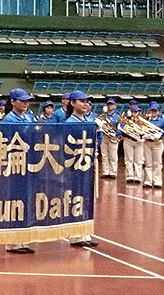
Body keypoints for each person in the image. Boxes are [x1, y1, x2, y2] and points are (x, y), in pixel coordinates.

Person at [2, 88, 35, 253]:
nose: (25, 103)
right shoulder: (9, 119)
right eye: (22, 100)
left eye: (27, 100)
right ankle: (12, 242)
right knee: (14, 201)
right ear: (13, 102)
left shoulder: (29, 117)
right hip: (15, 163)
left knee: (25, 201)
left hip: (28, 163)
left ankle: (23, 239)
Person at [64, 90, 99, 247]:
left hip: (88, 164)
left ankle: (85, 232)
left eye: (86, 101)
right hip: (75, 166)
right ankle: (75, 235)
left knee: (87, 199)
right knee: (76, 199)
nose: (85, 104)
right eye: (81, 101)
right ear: (72, 103)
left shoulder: (88, 121)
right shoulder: (69, 123)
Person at [142, 102, 164, 188]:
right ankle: (148, 181)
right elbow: (141, 129)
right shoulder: (146, 120)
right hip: (147, 142)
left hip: (157, 143)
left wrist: (161, 133)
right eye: (152, 110)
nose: (154, 112)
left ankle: (157, 181)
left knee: (157, 163)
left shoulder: (162, 121)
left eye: (155, 111)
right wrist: (144, 134)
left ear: (158, 112)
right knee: (148, 163)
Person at [119, 106, 143, 183]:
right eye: (134, 112)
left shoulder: (143, 121)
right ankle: (129, 176)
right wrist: (123, 124)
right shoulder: (126, 121)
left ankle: (138, 177)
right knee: (128, 159)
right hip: (128, 140)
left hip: (139, 141)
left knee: (138, 160)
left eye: (137, 112)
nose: (136, 113)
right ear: (131, 113)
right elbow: (121, 129)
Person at [98, 98, 122, 178]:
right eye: (108, 104)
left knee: (113, 156)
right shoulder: (102, 116)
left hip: (113, 137)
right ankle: (105, 172)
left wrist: (115, 134)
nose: (110, 106)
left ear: (115, 106)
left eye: (111, 104)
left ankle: (113, 172)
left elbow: (120, 128)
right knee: (104, 155)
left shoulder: (118, 117)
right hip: (104, 136)